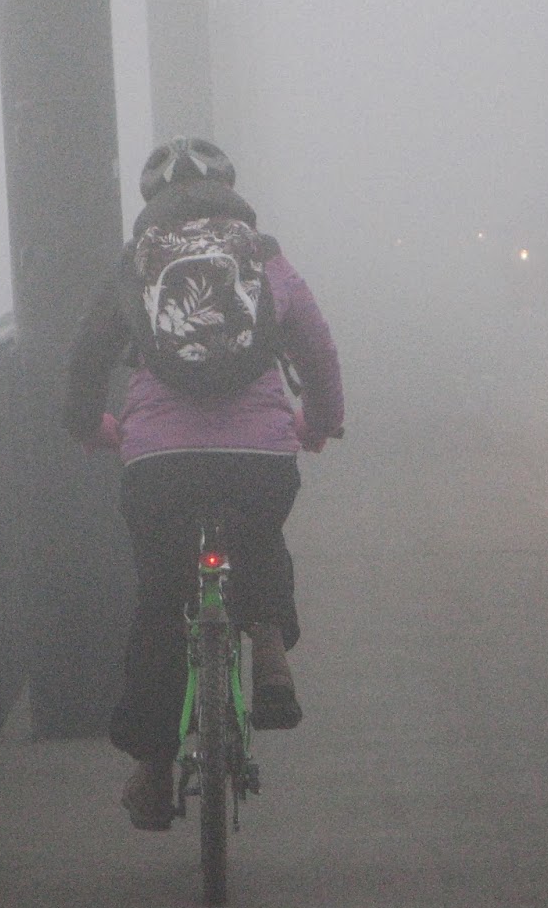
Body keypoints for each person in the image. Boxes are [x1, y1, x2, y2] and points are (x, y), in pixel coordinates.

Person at [63, 136, 346, 831]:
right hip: (259, 456)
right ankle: (270, 644)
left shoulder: (137, 263)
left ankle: (154, 773)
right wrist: (319, 423)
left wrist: (92, 428)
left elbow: (85, 356)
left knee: (161, 605)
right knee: (259, 536)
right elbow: (316, 343)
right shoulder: (263, 257)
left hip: (159, 461)